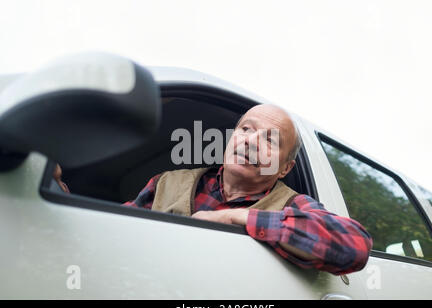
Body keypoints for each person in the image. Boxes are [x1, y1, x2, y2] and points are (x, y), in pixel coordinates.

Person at [124, 104, 373, 275]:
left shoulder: (291, 205)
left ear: (285, 168)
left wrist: (234, 217)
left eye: (269, 140)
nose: (251, 142)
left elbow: (355, 245)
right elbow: (114, 232)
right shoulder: (166, 182)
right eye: (246, 129)